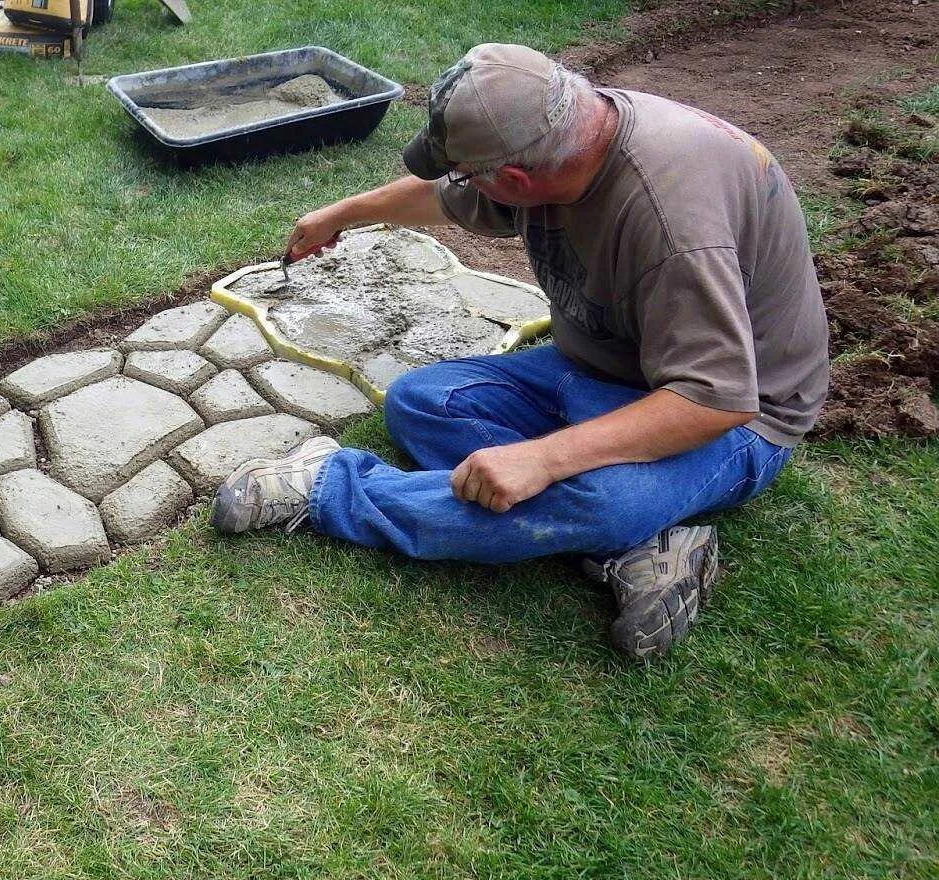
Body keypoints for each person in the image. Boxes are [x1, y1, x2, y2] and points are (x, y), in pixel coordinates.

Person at [210, 43, 829, 660]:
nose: (462, 185)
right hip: (603, 366)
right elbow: (440, 198)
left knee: (602, 501)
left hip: (736, 418)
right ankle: (647, 548)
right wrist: (342, 214)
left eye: (468, 173)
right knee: (421, 401)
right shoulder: (564, 136)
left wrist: (545, 459)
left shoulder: (672, 225)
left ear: (514, 180)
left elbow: (714, 400)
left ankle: (329, 490)